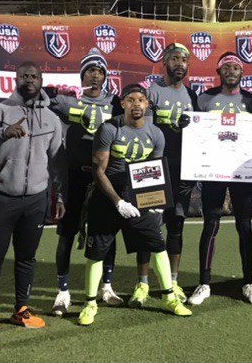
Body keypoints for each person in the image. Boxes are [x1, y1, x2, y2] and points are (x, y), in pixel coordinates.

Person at [79, 83, 193, 326]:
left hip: (138, 196)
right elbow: (98, 171)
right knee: (96, 252)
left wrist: (157, 200)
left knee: (157, 245)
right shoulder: (109, 128)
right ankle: (90, 303)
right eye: (130, 100)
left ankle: (169, 297)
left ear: (147, 104)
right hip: (107, 196)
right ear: (123, 103)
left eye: (141, 99)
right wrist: (118, 202)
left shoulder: (156, 134)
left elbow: (154, 170)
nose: (136, 104)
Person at [0, 61, 66, 339]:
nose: (29, 80)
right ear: (16, 79)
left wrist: (60, 195)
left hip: (35, 199)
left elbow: (57, 162)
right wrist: (3, 133)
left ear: (41, 80)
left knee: (27, 257)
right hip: (2, 196)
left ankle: (21, 308)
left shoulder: (52, 119)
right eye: (24, 76)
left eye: (34, 76)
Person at [49, 49, 123, 316]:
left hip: (104, 176)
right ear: (82, 74)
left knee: (105, 232)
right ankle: (63, 292)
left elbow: (139, 115)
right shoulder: (69, 101)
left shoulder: (116, 102)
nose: (95, 75)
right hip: (75, 176)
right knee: (67, 233)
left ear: (105, 76)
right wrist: (51, 91)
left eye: (100, 71)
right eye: (90, 70)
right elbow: (38, 99)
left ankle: (107, 287)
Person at [188, 52, 252, 306]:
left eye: (235, 67)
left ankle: (249, 282)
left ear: (242, 72)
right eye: (226, 67)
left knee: (245, 226)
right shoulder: (204, 99)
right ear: (218, 72)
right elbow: (197, 133)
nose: (231, 71)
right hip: (214, 170)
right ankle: (204, 283)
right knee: (211, 224)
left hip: (243, 171)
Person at [135, 42, 198, 305]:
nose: (179, 64)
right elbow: (144, 132)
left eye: (183, 60)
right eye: (174, 59)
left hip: (181, 171)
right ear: (165, 62)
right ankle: (142, 283)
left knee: (176, 226)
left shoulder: (192, 96)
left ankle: (173, 281)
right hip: (154, 170)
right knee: (148, 227)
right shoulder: (151, 92)